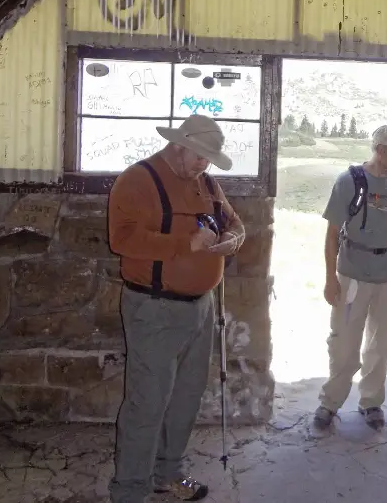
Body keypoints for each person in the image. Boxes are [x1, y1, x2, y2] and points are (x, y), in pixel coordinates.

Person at [107, 114, 246, 503]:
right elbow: (123, 239)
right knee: (147, 402)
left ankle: (167, 473)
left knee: (186, 397)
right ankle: (129, 490)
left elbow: (234, 223)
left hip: (201, 309)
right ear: (179, 144)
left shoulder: (207, 182)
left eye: (210, 159)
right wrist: (188, 243)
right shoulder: (137, 180)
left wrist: (233, 239)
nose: (204, 165)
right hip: (155, 309)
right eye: (200, 156)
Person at [313, 124, 387, 430]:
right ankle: (330, 402)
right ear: (380, 150)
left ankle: (371, 401)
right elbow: (332, 232)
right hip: (352, 276)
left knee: (382, 342)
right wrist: (330, 278)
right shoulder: (348, 182)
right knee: (344, 342)